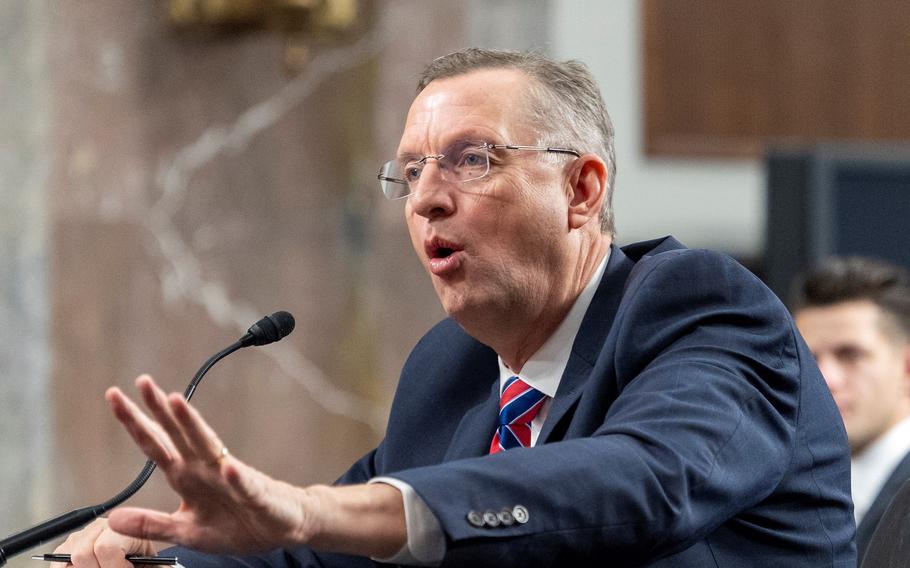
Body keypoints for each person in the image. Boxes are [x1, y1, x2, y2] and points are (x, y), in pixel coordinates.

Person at [54, 48, 855, 567]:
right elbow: (320, 538)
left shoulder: (696, 309)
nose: (427, 199)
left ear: (582, 190)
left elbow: (645, 482)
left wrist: (310, 512)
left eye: (471, 159)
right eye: (409, 173)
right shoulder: (451, 367)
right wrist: (158, 557)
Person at [791, 257, 910, 565]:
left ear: (907, 368)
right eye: (808, 359)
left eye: (850, 355)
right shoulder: (792, 492)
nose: (826, 379)